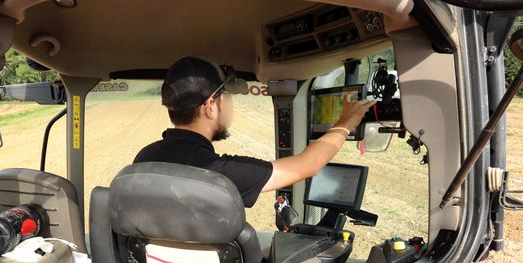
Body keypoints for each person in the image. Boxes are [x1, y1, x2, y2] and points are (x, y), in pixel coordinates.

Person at [135, 56, 375, 208]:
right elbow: (307, 165)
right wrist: (346, 122)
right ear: (210, 106)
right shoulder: (217, 172)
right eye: (226, 96)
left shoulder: (143, 159)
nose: (229, 103)